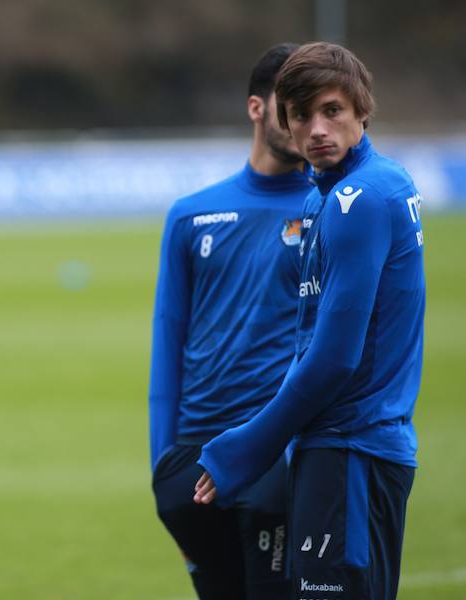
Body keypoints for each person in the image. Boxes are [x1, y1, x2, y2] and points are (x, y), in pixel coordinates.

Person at [195, 42, 425, 600]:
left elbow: (333, 359)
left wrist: (247, 447)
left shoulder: (359, 199)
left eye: (332, 110)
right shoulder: (333, 195)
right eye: (301, 115)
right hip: (346, 448)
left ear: (361, 109)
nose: (317, 129)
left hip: (351, 450)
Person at [148, 43, 309, 599]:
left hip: (276, 450)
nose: (303, 121)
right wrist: (162, 465)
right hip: (194, 456)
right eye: (291, 106)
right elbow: (168, 339)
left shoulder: (331, 209)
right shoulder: (191, 215)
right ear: (256, 108)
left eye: (314, 107)